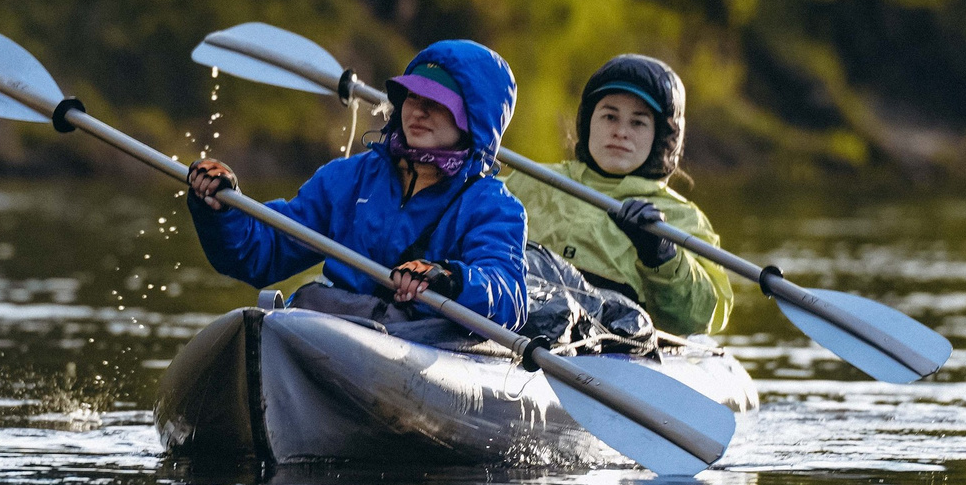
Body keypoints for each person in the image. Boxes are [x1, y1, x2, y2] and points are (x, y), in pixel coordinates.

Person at [184, 40, 528, 327]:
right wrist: (222, 207)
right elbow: (262, 252)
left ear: (473, 122)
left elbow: (508, 294)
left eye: (437, 103)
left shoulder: (494, 206)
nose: (418, 111)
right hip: (340, 330)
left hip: (423, 345)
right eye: (412, 96)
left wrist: (451, 280)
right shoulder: (349, 178)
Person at [511, 54, 734, 336]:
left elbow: (703, 318)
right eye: (610, 116)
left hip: (612, 342)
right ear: (589, 122)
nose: (620, 132)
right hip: (515, 323)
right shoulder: (529, 179)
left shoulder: (682, 219)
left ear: (662, 137)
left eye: (638, 123)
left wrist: (662, 256)